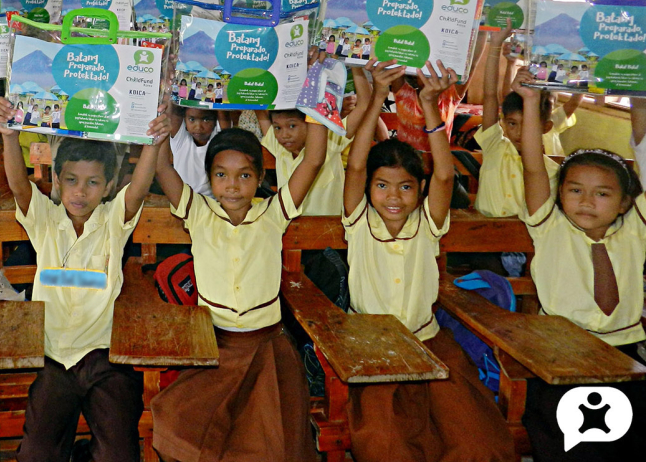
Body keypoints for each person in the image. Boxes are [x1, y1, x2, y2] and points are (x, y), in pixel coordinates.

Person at [341, 59, 514, 462]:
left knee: (475, 438)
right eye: (382, 186)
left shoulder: (428, 222)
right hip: (373, 346)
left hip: (427, 337)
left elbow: (443, 176)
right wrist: (379, 94)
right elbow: (354, 163)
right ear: (368, 189)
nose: (394, 197)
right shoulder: (359, 220)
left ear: (418, 190)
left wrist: (430, 105)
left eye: (405, 187)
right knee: (386, 442)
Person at [0, 98, 168, 462]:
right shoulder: (44, 221)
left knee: (119, 454)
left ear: (109, 185)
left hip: (106, 360)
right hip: (53, 359)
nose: (79, 192)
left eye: (92, 182)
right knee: (37, 453)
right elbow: (20, 186)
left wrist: (153, 142)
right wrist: (9, 137)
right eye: (70, 180)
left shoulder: (113, 223)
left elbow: (137, 189)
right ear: (57, 180)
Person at [150, 104, 329, 461]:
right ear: (209, 177)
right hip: (215, 346)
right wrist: (158, 125)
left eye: (244, 176)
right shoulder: (198, 211)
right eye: (221, 175)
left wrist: (317, 102)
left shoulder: (273, 212)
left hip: (267, 348)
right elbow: (163, 167)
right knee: (179, 423)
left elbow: (313, 161)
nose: (232, 186)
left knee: (270, 440)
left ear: (260, 175)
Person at [516, 68, 646, 461]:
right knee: (568, 442)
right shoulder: (549, 224)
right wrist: (528, 100)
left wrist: (639, 99)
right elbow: (534, 165)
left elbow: (644, 147)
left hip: (623, 351)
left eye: (602, 193)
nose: (586, 201)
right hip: (561, 352)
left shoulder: (635, 226)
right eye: (574, 190)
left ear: (624, 202)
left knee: (626, 438)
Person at [255, 66, 372, 216]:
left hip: (329, 230)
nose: (284, 135)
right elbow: (258, 107)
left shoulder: (330, 139)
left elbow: (364, 106)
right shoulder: (278, 146)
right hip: (288, 231)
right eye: (277, 128)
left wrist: (356, 65)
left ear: (310, 121)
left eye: (292, 126)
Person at [475, 23, 558, 218]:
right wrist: (495, 45)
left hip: (525, 245)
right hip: (481, 238)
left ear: (546, 128)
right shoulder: (494, 145)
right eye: (512, 123)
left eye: (529, 124)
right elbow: (489, 95)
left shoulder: (552, 172)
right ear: (503, 123)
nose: (519, 132)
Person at [167, 104, 221, 197]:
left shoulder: (219, 139)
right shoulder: (181, 141)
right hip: (183, 200)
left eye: (206, 120)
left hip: (212, 201)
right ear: (184, 119)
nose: (198, 127)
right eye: (192, 119)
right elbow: (175, 110)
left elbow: (223, 110)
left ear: (215, 121)